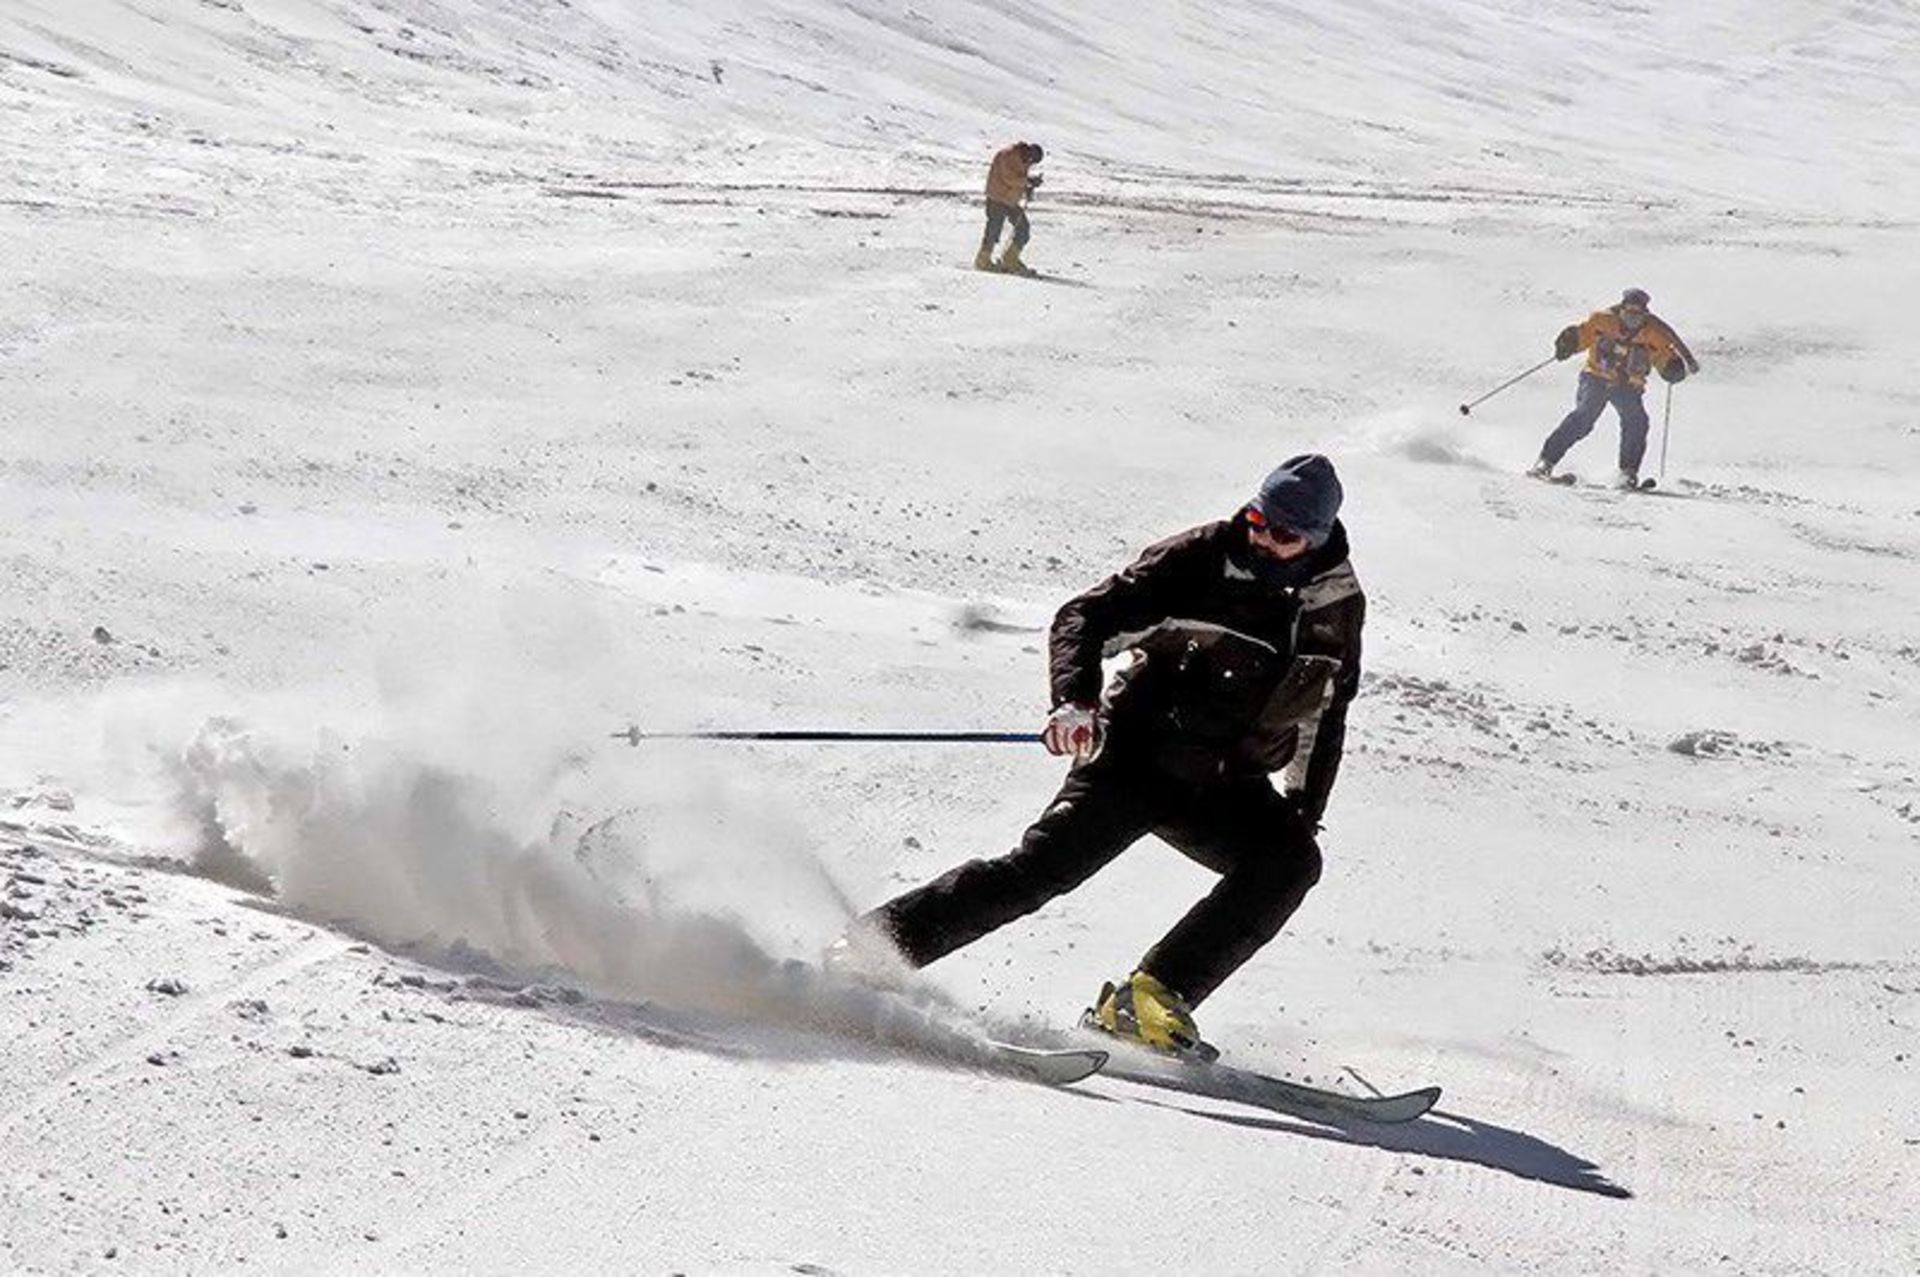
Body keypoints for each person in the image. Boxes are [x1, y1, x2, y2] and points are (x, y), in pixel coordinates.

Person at [830, 455, 1364, 1055]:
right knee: (1040, 872)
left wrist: (1302, 805)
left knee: (1290, 861)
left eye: (1285, 534)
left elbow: (1326, 710)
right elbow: (1086, 616)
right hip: (1138, 755)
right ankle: (874, 950)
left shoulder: (1336, 606)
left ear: (1316, 540)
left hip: (1225, 782)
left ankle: (1151, 999)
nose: (1263, 536)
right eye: (1260, 518)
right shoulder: (1200, 559)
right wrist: (1073, 701)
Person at [1528, 288, 1700, 488]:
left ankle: (1627, 472)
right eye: (1629, 312)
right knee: (1585, 415)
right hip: (1596, 378)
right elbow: (1584, 334)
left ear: (1645, 314)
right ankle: (1545, 462)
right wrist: (1570, 342)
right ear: (1622, 309)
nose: (1633, 318)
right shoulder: (1603, 321)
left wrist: (1671, 367)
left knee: (1637, 420)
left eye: (1638, 314)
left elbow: (1662, 356)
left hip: (1628, 386)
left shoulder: (1654, 333)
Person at [975, 142, 1043, 275]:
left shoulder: (1024, 158)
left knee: (1023, 228)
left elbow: (1018, 179)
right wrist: (1028, 181)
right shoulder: (1008, 155)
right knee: (994, 227)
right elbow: (1009, 178)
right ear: (1030, 152)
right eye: (1032, 160)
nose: (1031, 164)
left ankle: (1010, 259)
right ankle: (983, 260)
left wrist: (1027, 188)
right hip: (997, 197)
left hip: (1010, 200)